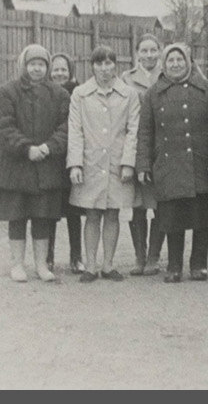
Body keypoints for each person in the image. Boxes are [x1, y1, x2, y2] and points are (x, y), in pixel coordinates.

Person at [136, 43, 208, 283]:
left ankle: (199, 264)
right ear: (164, 65)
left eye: (180, 59)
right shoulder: (154, 93)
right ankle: (174, 266)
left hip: (202, 164)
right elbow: (145, 132)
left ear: (189, 62)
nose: (175, 64)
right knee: (173, 217)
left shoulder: (206, 89)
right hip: (169, 166)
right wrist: (143, 164)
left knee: (203, 216)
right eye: (170, 60)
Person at [0, 44, 70, 283]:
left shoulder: (59, 94)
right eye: (32, 64)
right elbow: (3, 127)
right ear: (24, 66)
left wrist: (49, 147)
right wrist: (27, 148)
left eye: (41, 64)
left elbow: (66, 127)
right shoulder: (7, 92)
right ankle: (17, 264)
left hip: (46, 166)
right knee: (17, 217)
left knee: (42, 217)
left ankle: (41, 265)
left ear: (47, 67)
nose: (37, 69)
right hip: (16, 167)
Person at [67, 45, 141, 283]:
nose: (104, 69)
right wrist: (75, 164)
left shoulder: (129, 94)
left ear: (115, 65)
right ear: (92, 66)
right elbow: (75, 130)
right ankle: (90, 266)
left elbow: (133, 130)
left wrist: (128, 162)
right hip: (90, 162)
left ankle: (108, 265)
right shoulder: (80, 94)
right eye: (99, 64)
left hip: (117, 163)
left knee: (112, 213)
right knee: (91, 214)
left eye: (109, 63)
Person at [121, 33, 166, 275]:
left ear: (160, 51)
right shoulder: (126, 79)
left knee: (160, 204)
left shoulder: (167, 75)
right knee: (137, 204)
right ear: (137, 53)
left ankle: (153, 258)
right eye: (144, 51)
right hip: (135, 145)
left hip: (162, 147)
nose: (149, 55)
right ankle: (140, 257)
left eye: (153, 50)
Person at [46, 52, 86, 274]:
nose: (59, 74)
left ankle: (76, 257)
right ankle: (48, 257)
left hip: (72, 158)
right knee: (49, 210)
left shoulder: (79, 93)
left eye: (63, 70)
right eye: (55, 70)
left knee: (73, 210)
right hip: (51, 157)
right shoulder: (44, 92)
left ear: (70, 72)